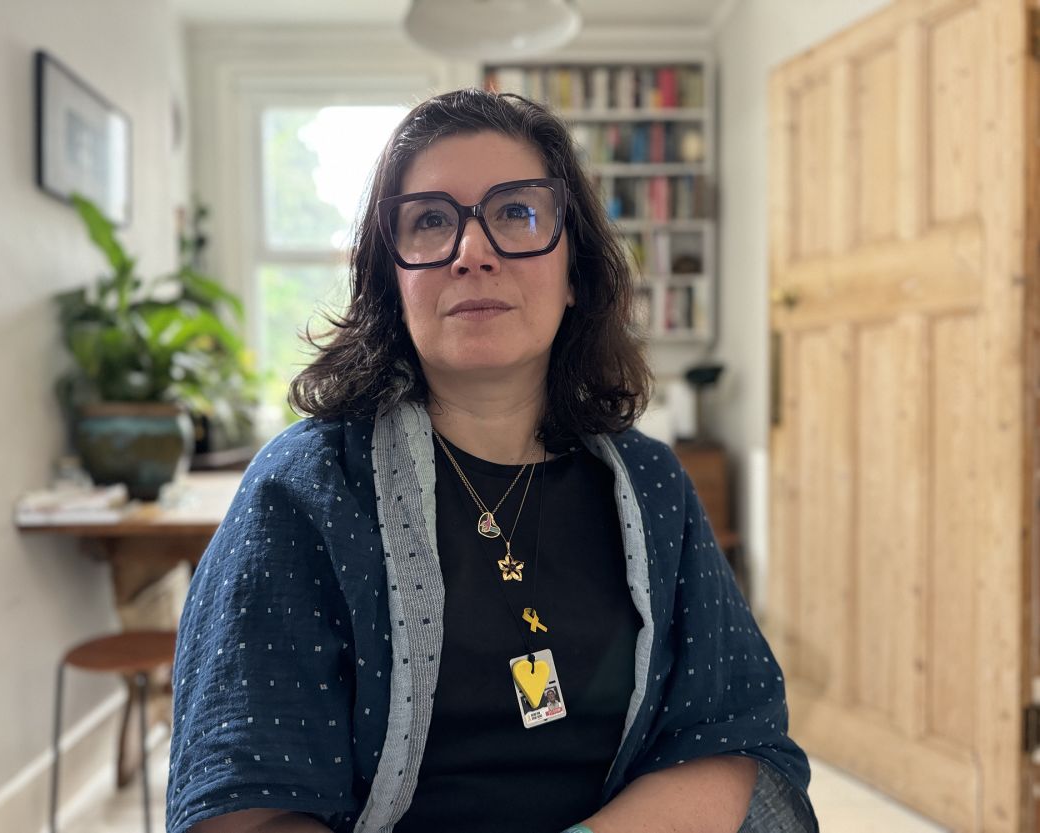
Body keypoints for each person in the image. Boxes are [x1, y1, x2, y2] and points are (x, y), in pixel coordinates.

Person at [166, 88, 818, 833]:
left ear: (575, 270)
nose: (472, 253)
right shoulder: (306, 491)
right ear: (393, 282)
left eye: (516, 212)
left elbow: (736, 739)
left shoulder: (653, 487)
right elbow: (241, 808)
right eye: (432, 221)